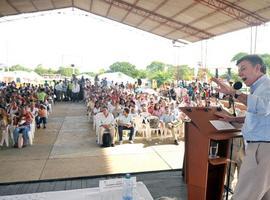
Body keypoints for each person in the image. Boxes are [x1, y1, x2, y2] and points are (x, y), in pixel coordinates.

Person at [212, 54, 270, 200]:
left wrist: (233, 92)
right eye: (239, 70)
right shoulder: (258, 89)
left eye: (243, 68)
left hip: (261, 149)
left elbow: (263, 108)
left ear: (258, 68)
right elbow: (260, 116)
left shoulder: (267, 86)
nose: (240, 73)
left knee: (243, 195)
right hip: (261, 148)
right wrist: (233, 119)